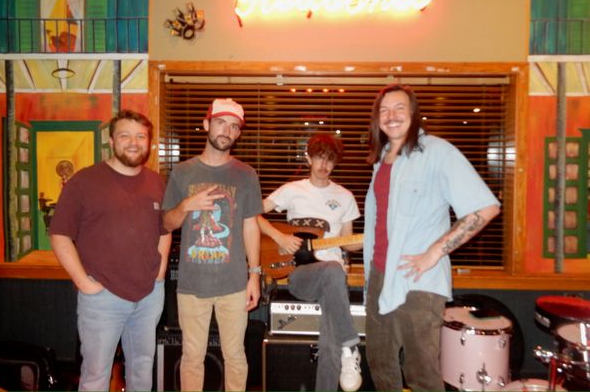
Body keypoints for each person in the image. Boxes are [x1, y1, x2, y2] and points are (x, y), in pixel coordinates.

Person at [363, 84, 501, 391]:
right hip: (379, 276)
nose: (391, 116)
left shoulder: (438, 152)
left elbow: (486, 208)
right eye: (384, 110)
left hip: (419, 281)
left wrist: (435, 252)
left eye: (399, 108)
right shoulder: (382, 159)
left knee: (421, 375)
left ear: (414, 114)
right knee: (380, 366)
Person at [49, 110, 171, 391]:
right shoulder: (84, 182)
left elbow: (164, 230)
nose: (133, 142)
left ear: (149, 142)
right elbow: (59, 234)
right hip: (103, 298)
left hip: (149, 296)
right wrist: (83, 283)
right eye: (125, 135)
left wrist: (160, 275)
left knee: (142, 369)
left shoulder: (156, 182)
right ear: (112, 141)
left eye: (140, 136)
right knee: (96, 376)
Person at [162, 98, 262, 391]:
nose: (227, 131)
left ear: (238, 133)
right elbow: (168, 223)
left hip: (234, 284)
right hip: (192, 284)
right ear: (206, 125)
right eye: (221, 123)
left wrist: (254, 275)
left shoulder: (246, 174)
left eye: (234, 126)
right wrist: (186, 205)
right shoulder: (182, 172)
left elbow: (251, 225)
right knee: (192, 358)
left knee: (236, 356)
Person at [258, 133, 363, 392]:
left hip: (333, 279)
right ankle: (351, 346)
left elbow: (348, 242)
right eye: (319, 158)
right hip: (300, 274)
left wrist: (373, 239)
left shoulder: (345, 196)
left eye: (330, 160)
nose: (324, 165)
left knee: (329, 342)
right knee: (334, 270)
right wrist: (279, 237)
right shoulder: (292, 190)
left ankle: (345, 356)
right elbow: (252, 213)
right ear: (308, 158)